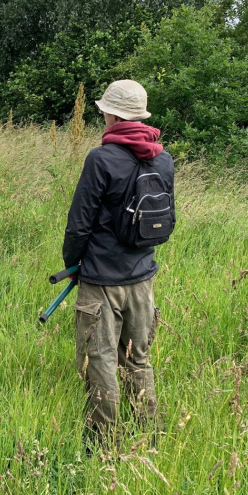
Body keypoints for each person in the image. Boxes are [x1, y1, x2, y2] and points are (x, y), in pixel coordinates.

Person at [62, 80, 175, 452]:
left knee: (101, 360)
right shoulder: (163, 158)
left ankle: (103, 444)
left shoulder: (101, 158)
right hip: (143, 277)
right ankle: (150, 435)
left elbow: (80, 222)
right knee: (137, 360)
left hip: (101, 279)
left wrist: (74, 265)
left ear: (112, 115)